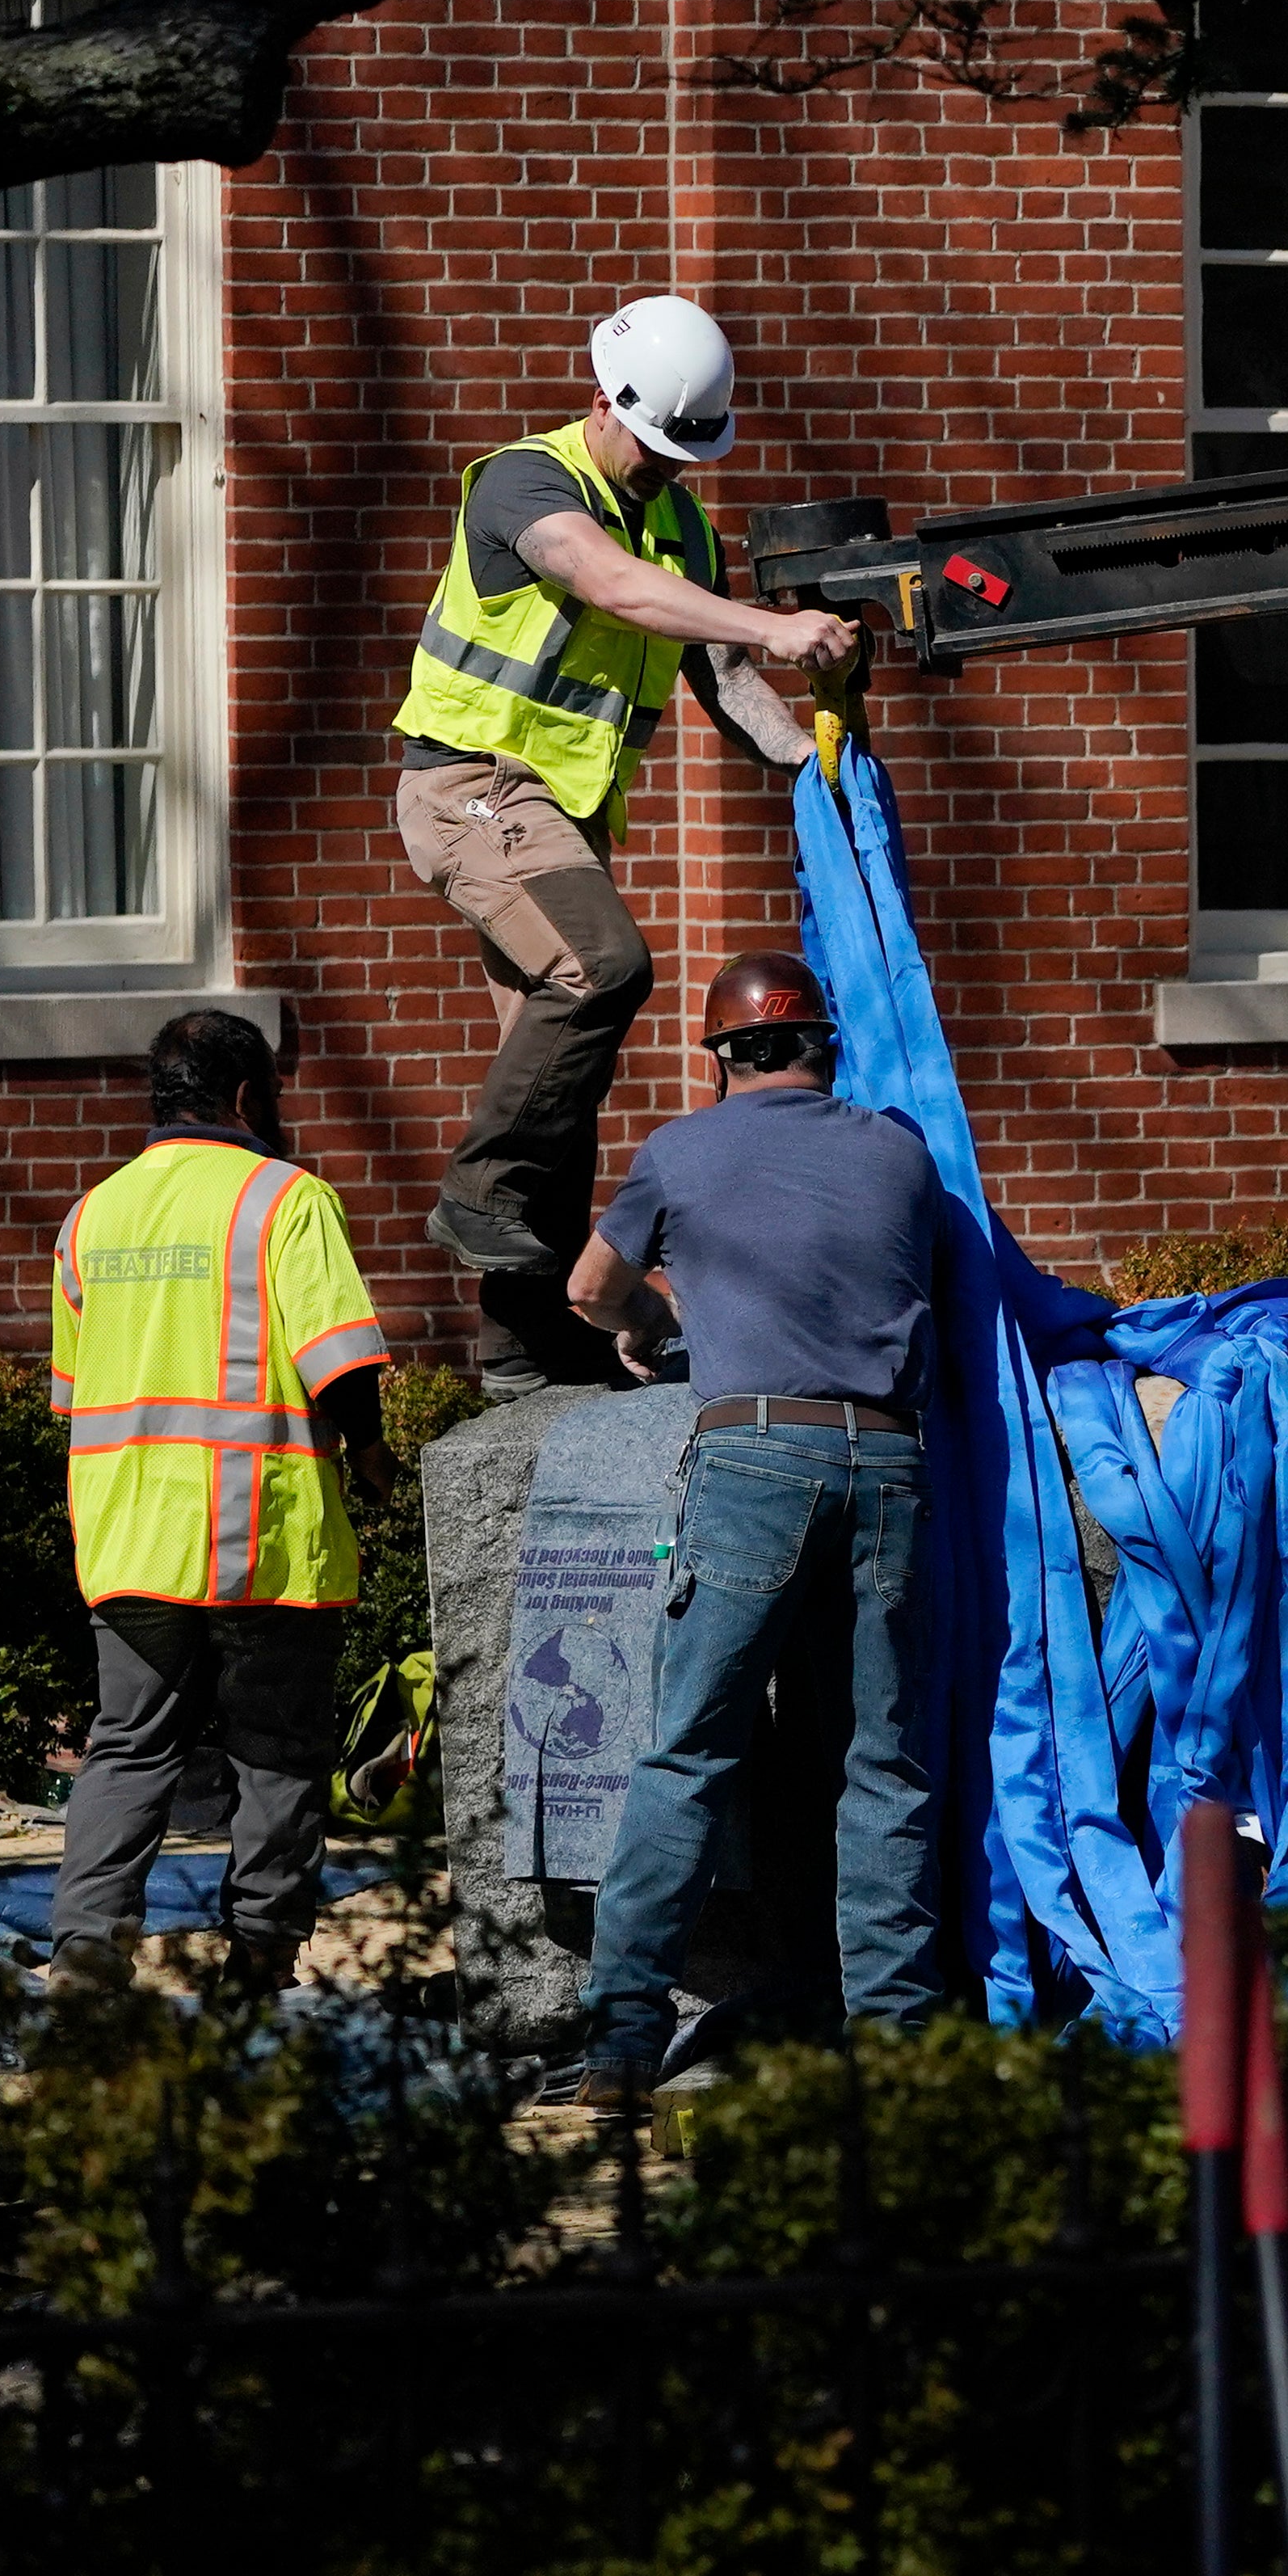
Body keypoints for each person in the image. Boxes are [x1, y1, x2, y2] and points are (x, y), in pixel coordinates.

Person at [394, 295, 865, 1395]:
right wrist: (774, 624)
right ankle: (476, 1192)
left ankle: (524, 1348)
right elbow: (610, 584)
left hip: (556, 822)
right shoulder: (525, 483)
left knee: (562, 1088)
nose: (664, 469)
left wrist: (807, 760)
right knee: (603, 968)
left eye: (683, 454)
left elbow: (724, 676)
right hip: (468, 786)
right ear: (601, 401)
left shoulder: (684, 530)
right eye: (652, 446)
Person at [561, 952, 946, 2110]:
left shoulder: (681, 1151)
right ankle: (895, 2045)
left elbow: (588, 1288)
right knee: (882, 1766)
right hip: (889, 1461)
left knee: (689, 1753)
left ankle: (623, 2045)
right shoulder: (900, 1152)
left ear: (722, 1060)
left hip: (754, 1459)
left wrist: (646, 1321)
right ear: (825, 1049)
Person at [44, 1010, 394, 1996]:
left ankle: (84, 1953)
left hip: (128, 1538)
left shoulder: (90, 1216)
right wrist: (373, 1459)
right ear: (246, 1097)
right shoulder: (285, 1199)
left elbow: (72, 1393)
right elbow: (340, 1363)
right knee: (276, 1748)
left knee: (127, 1746)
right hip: (259, 1534)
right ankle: (260, 1960)